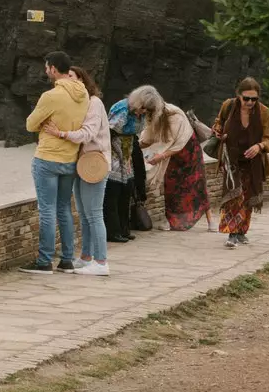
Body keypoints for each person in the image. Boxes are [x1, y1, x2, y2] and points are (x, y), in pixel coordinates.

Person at [20, 51, 89, 273]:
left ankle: (44, 261)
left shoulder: (51, 96)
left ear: (52, 69)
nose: (45, 70)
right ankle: (67, 259)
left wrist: (45, 125)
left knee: (47, 210)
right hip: (70, 158)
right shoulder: (84, 94)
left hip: (48, 158)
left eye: (47, 67)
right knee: (64, 209)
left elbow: (30, 124)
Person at [44, 67, 111, 275]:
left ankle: (101, 262)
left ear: (82, 80)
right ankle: (86, 257)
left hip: (94, 163)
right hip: (80, 163)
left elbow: (88, 133)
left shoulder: (94, 103)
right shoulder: (79, 104)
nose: (68, 81)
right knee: (83, 214)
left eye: (72, 77)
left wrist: (61, 133)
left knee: (94, 214)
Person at [129, 84, 208, 230]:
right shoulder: (153, 115)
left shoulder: (174, 115)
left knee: (197, 185)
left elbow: (176, 143)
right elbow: (149, 138)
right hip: (171, 155)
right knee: (171, 187)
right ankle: (172, 221)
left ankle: (209, 221)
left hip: (187, 151)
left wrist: (160, 156)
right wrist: (134, 146)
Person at [213, 77, 269, 248]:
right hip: (231, 158)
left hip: (253, 162)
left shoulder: (264, 112)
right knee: (234, 195)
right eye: (246, 98)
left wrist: (259, 146)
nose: (249, 102)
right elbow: (218, 123)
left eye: (253, 99)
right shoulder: (228, 106)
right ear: (238, 95)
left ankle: (241, 231)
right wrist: (218, 131)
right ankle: (231, 232)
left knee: (247, 197)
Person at [104, 98, 143, 244]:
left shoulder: (138, 115)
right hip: (115, 157)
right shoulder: (122, 109)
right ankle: (113, 232)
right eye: (143, 109)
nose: (143, 112)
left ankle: (123, 229)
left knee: (125, 194)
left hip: (126, 158)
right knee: (113, 196)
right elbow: (110, 131)